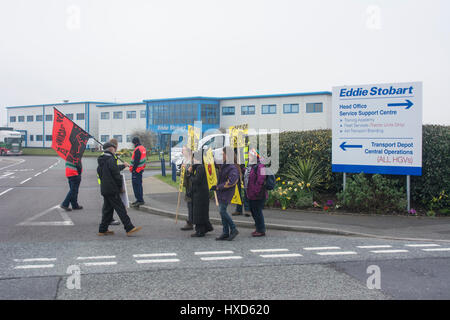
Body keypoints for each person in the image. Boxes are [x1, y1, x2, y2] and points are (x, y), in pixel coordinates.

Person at [97, 142, 142, 236]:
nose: (115, 150)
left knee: (108, 210)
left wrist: (123, 165)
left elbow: (111, 169)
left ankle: (102, 229)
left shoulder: (102, 160)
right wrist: (120, 187)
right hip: (112, 189)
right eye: (114, 148)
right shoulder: (111, 159)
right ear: (111, 149)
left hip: (105, 188)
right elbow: (116, 174)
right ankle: (129, 227)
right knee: (120, 208)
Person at [210, 147, 239, 241]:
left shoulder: (232, 167)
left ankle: (233, 229)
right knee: (222, 211)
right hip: (222, 192)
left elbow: (231, 182)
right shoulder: (226, 164)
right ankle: (225, 232)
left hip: (226, 192)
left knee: (222, 211)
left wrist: (218, 187)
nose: (222, 155)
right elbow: (219, 168)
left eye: (223, 153)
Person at [190, 151, 213, 237]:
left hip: (200, 194)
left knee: (199, 212)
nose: (192, 160)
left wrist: (190, 174)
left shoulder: (200, 168)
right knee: (201, 212)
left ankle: (200, 231)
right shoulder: (198, 167)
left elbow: (196, 180)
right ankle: (206, 227)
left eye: (193, 158)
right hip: (200, 193)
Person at [245, 149, 267, 237]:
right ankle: (258, 228)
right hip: (250, 193)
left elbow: (261, 179)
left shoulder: (260, 166)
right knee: (254, 211)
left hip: (257, 194)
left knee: (257, 212)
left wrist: (255, 191)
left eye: (250, 155)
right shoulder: (250, 166)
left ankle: (261, 230)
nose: (249, 156)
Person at [129, 137, 146, 207]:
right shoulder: (142, 148)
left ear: (135, 143)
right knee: (139, 185)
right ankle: (139, 199)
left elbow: (136, 161)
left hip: (136, 171)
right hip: (140, 169)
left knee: (136, 186)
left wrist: (133, 169)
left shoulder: (137, 149)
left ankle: (139, 200)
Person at [180, 146, 194, 231]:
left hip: (191, 186)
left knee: (191, 204)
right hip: (187, 185)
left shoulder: (191, 161)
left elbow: (190, 173)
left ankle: (191, 222)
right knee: (189, 204)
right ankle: (191, 221)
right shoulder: (185, 160)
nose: (182, 152)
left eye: (183, 150)